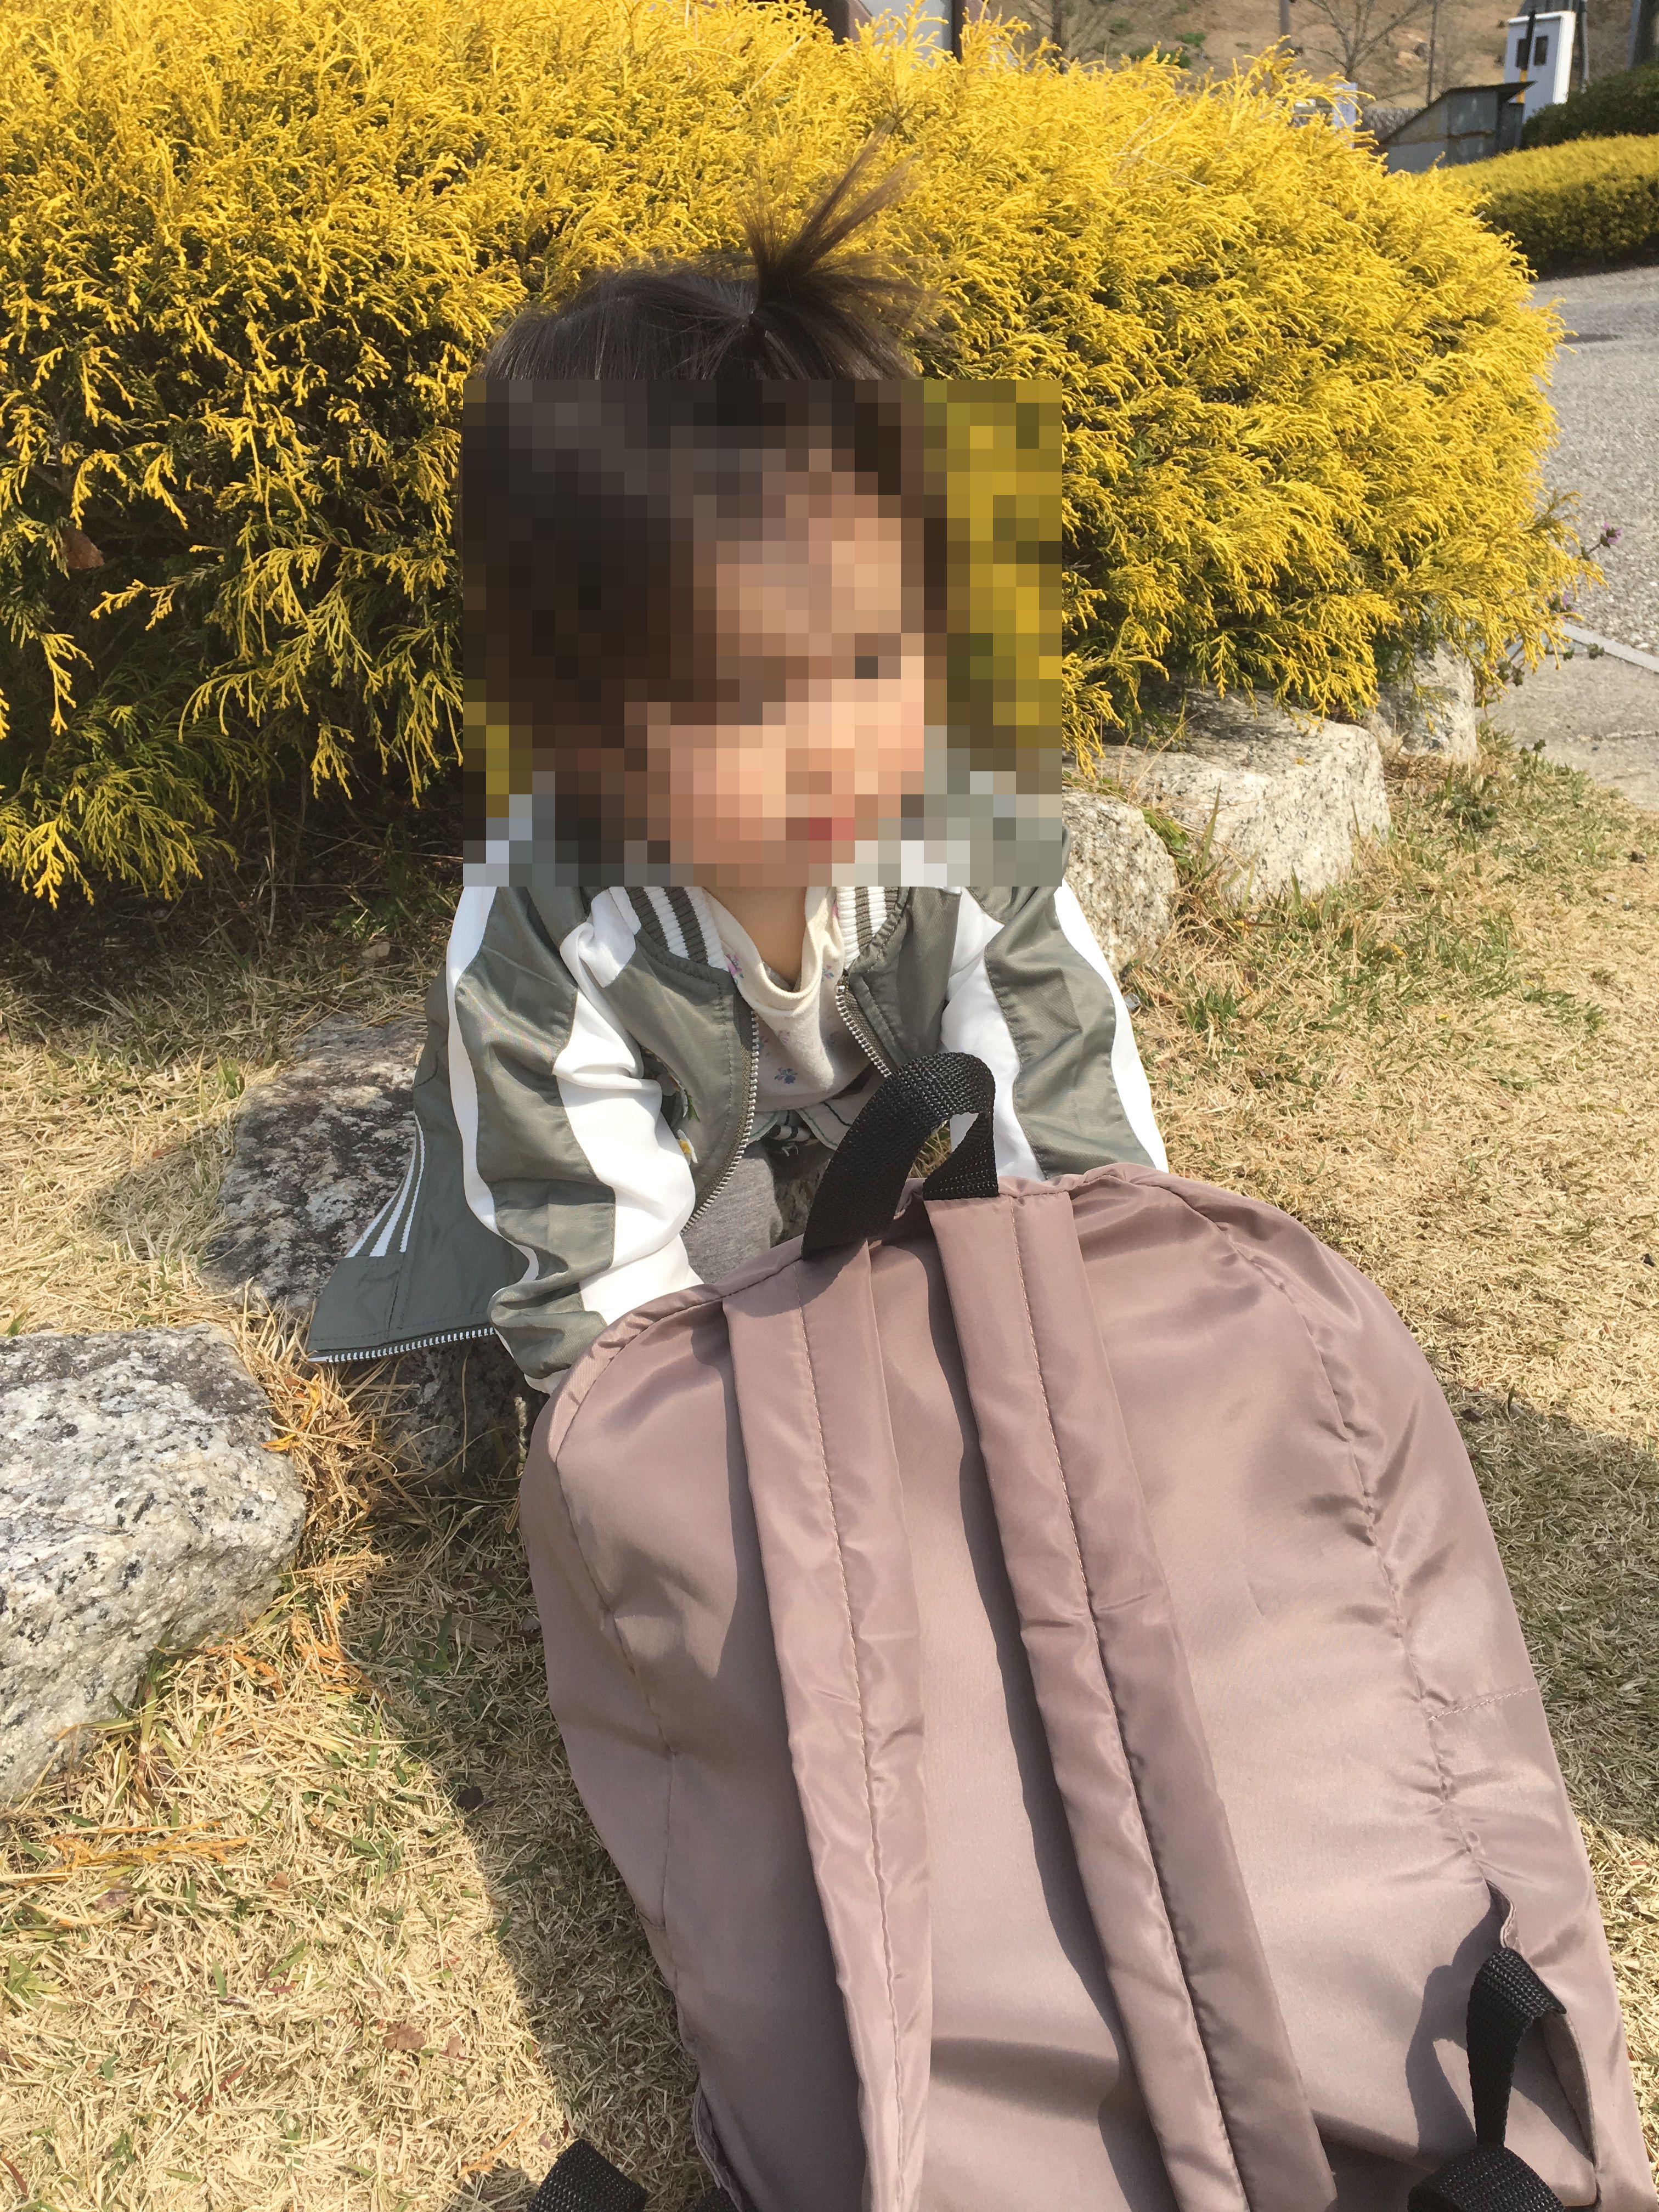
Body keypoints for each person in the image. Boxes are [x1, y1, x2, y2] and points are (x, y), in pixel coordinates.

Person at [306, 149, 1167, 1397]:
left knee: (940, 1278)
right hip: (666, 1133)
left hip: (848, 1114)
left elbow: (1071, 1104)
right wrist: (689, 1433)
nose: (835, 740)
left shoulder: (964, 823)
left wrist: (1105, 1338)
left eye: (875, 656)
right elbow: (596, 1293)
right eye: (741, 696)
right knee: (716, 1289)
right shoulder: (546, 925)